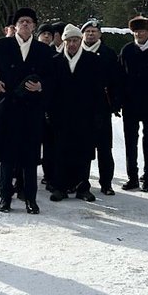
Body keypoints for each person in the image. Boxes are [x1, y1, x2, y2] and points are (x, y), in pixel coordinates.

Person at [0, 7, 55, 214]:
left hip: (32, 110)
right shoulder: (2, 45)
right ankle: (5, 198)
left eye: (29, 22)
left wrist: (42, 86)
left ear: (34, 26)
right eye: (21, 21)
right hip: (7, 107)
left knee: (30, 157)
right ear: (15, 25)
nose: (25, 24)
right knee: (6, 157)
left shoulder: (43, 50)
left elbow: (53, 76)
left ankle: (31, 199)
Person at [45, 24, 106, 201]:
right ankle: (60, 187)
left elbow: (98, 90)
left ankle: (82, 187)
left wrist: (99, 114)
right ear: (63, 42)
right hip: (61, 115)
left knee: (84, 152)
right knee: (60, 151)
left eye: (75, 40)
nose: (72, 44)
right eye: (69, 41)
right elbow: (50, 90)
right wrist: (48, 111)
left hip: (85, 115)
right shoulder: (55, 61)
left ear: (80, 41)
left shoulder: (92, 60)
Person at [119, 16, 148, 191]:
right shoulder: (127, 50)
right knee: (130, 141)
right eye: (136, 31)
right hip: (130, 104)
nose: (139, 34)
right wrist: (120, 100)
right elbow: (120, 76)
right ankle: (132, 176)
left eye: (142, 31)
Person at [81, 18, 123, 195]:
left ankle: (106, 183)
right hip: (81, 109)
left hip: (102, 108)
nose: (91, 34)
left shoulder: (108, 53)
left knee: (104, 149)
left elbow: (117, 80)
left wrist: (115, 103)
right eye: (88, 31)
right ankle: (81, 183)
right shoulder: (76, 50)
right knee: (83, 148)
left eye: (94, 31)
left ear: (100, 34)